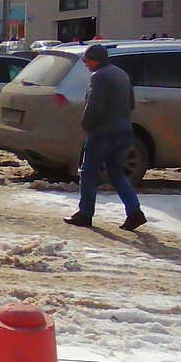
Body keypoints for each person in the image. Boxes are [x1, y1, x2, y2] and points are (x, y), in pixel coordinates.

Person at [63, 44, 146, 230]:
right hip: (124, 130)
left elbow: (94, 106)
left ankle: (85, 214)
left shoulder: (98, 77)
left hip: (103, 132)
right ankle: (135, 212)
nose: (85, 63)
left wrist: (86, 126)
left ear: (94, 59)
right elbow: (130, 104)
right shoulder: (122, 74)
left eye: (86, 60)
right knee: (116, 173)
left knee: (88, 172)